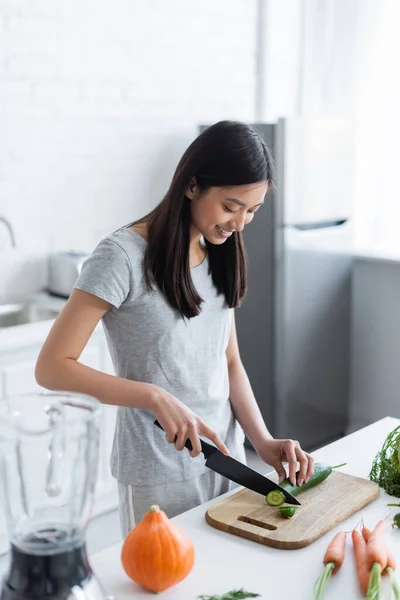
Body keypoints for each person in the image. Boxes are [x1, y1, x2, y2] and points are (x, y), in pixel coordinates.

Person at [35, 121, 314, 536]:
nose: (240, 224)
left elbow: (229, 360)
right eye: (231, 206)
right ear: (191, 186)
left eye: (252, 211)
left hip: (227, 458)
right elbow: (52, 367)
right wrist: (152, 396)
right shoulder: (121, 256)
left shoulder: (221, 249)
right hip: (157, 472)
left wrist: (263, 441)